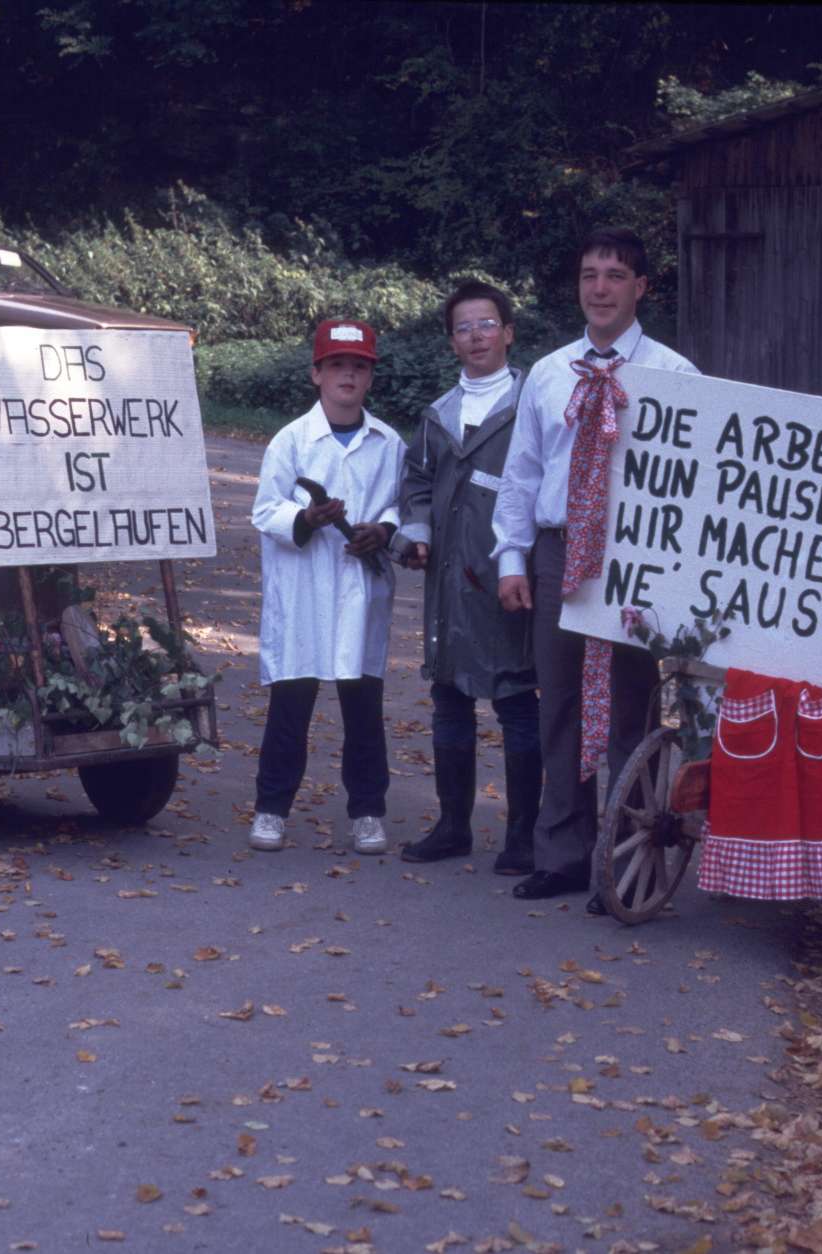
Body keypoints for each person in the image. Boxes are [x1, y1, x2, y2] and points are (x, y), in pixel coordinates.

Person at [491, 228, 698, 905]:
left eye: (615, 275)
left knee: (630, 707)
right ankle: (563, 853)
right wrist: (513, 558)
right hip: (559, 552)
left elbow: (696, 485)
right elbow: (522, 473)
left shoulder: (675, 375)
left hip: (634, 555)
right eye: (589, 275)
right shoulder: (551, 373)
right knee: (560, 703)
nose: (600, 288)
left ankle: (628, 858)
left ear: (641, 288)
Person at [395, 280, 541, 872]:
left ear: (508, 333)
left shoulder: (533, 406)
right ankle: (452, 827)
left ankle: (524, 837)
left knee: (516, 701)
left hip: (509, 576)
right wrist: (418, 532)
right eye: (463, 328)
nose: (476, 336)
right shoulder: (439, 416)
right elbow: (417, 483)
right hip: (448, 582)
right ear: (452, 341)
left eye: (486, 324)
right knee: (448, 698)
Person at [248, 319, 404, 855]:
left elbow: (400, 505)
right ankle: (271, 809)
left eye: (358, 367)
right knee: (290, 706)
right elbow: (266, 510)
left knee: (363, 709)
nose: (348, 376)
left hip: (360, 590)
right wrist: (306, 518)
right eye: (337, 365)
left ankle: (368, 812)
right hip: (304, 589)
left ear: (370, 378)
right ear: (316, 373)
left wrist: (383, 530)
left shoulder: (388, 442)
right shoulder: (290, 440)